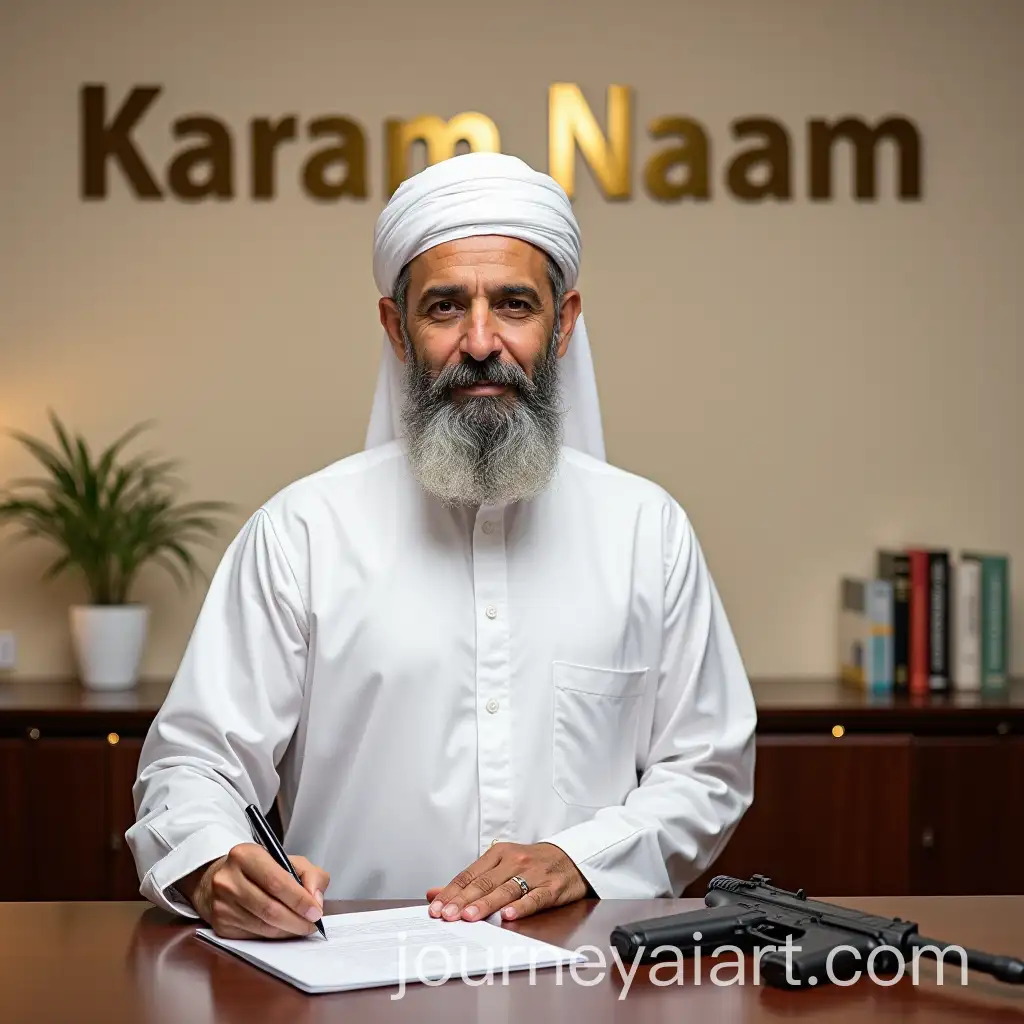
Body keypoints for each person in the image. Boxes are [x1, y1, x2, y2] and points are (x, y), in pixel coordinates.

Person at [127, 152, 757, 940]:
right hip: (350, 980)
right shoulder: (301, 534)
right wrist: (216, 862)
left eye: (516, 305)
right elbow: (192, 766)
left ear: (563, 323)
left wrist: (581, 856)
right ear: (398, 328)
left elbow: (708, 770)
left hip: (584, 985)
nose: (482, 340)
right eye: (446, 307)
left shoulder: (646, 530)